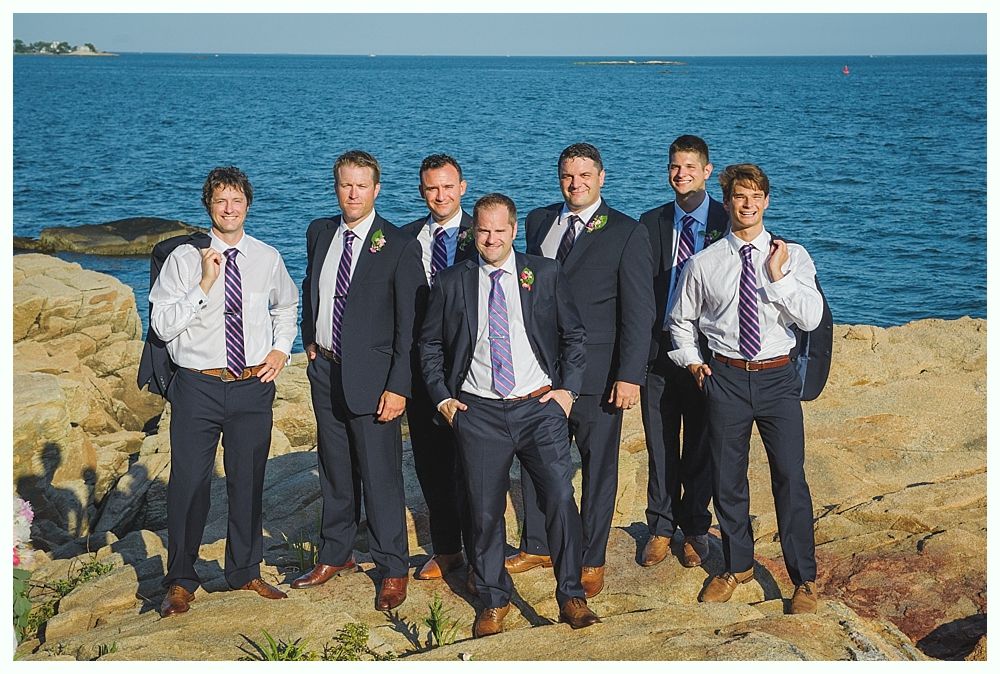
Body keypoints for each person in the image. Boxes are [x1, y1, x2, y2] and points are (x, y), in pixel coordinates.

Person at [419, 193, 600, 637]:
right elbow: (429, 345)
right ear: (473, 232)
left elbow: (575, 335)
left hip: (539, 408)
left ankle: (571, 595)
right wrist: (443, 398)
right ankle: (493, 598)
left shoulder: (544, 272)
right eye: (483, 230)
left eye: (500, 230)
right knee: (483, 512)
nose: (491, 238)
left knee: (559, 497)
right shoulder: (451, 281)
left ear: (514, 231)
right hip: (477, 411)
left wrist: (568, 392)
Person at [668, 163, 823, 614]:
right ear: (729, 201)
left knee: (791, 478)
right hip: (726, 378)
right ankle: (738, 566)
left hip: (777, 377)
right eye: (739, 196)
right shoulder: (704, 261)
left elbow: (810, 318)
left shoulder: (792, 256)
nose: (748, 204)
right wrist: (694, 363)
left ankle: (804, 580)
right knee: (727, 479)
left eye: (756, 196)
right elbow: (680, 322)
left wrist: (778, 278)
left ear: (767, 201)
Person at [150, 166, 298, 617]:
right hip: (198, 385)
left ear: (247, 205)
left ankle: (245, 570)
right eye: (220, 201)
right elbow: (161, 324)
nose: (229, 208)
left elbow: (287, 306)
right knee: (189, 485)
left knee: (248, 481)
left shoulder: (267, 257)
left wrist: (280, 350)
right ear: (208, 206)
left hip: (252, 386)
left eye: (236, 200)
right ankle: (180, 579)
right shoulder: (182, 260)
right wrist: (204, 284)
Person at [510, 143, 654, 598]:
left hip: (598, 375)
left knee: (597, 468)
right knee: (536, 460)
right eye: (568, 176)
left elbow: (639, 311)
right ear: (559, 178)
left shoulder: (628, 232)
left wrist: (630, 374)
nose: (576, 184)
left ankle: (591, 557)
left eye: (585, 175)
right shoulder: (537, 221)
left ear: (602, 177)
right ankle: (537, 543)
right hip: (541, 370)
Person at [293, 150, 426, 611]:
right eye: (345, 185)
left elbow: (410, 325)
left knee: (380, 475)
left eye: (361, 186)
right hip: (326, 370)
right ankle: (336, 553)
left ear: (376, 190)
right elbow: (311, 286)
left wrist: (399, 386)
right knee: (335, 468)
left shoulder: (398, 243)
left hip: (374, 379)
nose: (353, 193)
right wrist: (308, 339)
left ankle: (393, 567)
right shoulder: (320, 231)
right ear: (337, 187)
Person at [638, 135, 729, 569]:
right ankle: (659, 525)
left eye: (690, 166)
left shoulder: (727, 220)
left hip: (707, 352)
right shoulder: (650, 222)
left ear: (708, 170)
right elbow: (637, 291)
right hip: (658, 351)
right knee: (659, 443)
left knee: (700, 443)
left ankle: (694, 526)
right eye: (675, 166)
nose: (681, 173)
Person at [400, 154, 477, 583]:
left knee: (473, 466)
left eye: (448, 186)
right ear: (421, 191)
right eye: (432, 188)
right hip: (421, 370)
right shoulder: (406, 239)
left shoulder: (483, 233)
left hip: (471, 369)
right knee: (430, 464)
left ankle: (481, 551)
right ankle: (448, 549)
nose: (440, 195)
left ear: (462, 187)